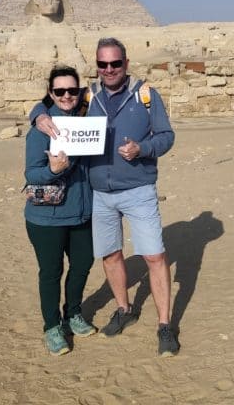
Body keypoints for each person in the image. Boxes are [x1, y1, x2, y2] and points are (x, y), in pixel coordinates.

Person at [32, 38, 180, 356]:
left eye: (115, 63)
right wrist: (36, 116)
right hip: (100, 194)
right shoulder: (88, 96)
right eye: (103, 64)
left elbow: (167, 136)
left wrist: (144, 149)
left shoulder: (145, 95)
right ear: (96, 66)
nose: (109, 69)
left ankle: (165, 325)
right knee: (110, 255)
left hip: (138, 190)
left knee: (154, 256)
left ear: (126, 63)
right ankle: (124, 310)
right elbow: (52, 103)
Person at [24, 66, 95, 356]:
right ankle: (52, 327)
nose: (67, 95)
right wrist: (53, 170)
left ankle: (73, 314)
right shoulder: (42, 128)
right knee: (51, 272)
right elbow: (31, 173)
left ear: (80, 91)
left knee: (83, 265)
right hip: (47, 217)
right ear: (51, 93)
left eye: (72, 90)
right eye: (60, 91)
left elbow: (112, 88)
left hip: (82, 212)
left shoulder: (88, 117)